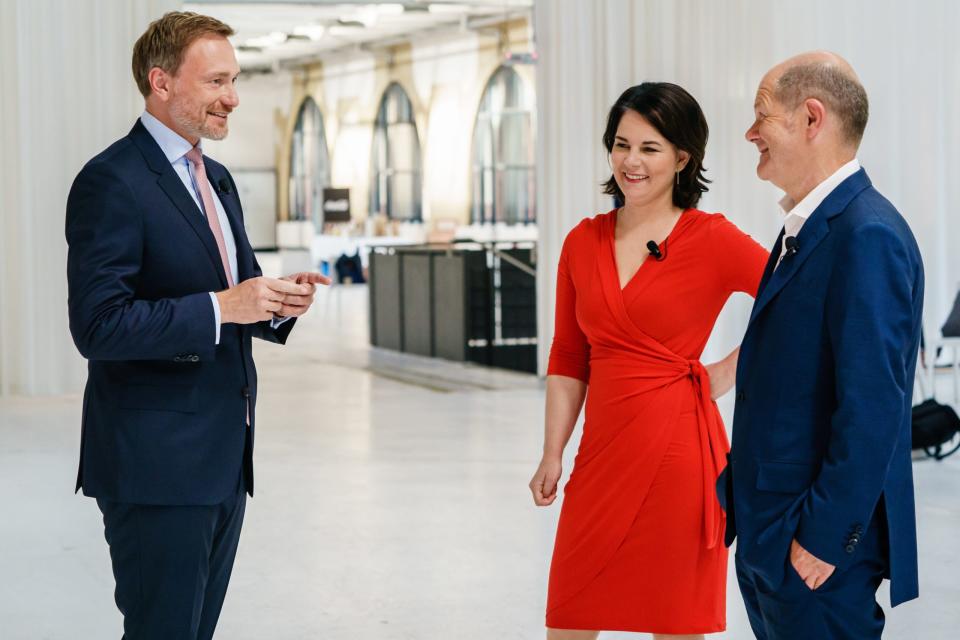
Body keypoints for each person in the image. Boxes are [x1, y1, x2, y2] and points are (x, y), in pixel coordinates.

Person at [65, 12, 329, 639]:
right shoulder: (111, 181)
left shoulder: (219, 179)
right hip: (155, 465)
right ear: (161, 83)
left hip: (222, 458)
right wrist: (222, 306)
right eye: (216, 82)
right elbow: (98, 326)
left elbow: (240, 291)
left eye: (234, 80)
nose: (232, 97)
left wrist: (277, 301)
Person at [529, 83, 769, 639]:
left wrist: (728, 371)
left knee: (674, 622)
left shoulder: (712, 239)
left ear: (683, 157)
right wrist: (551, 453)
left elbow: (795, 300)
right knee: (569, 614)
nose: (630, 161)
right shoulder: (581, 242)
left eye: (650, 148)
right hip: (600, 457)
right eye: (621, 144)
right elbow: (569, 356)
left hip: (678, 457)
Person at [720, 51, 923, 639]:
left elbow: (872, 406)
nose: (750, 133)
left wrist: (823, 536)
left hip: (813, 548)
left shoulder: (868, 234)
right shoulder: (807, 227)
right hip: (773, 531)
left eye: (762, 117)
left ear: (813, 119)